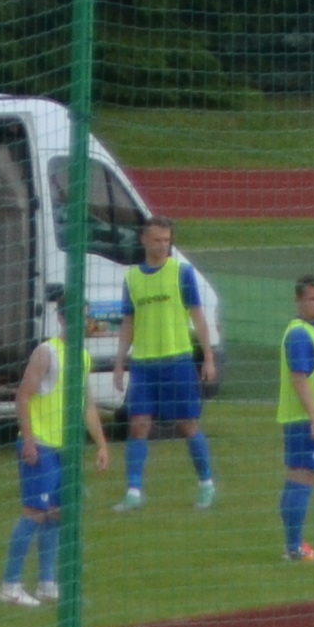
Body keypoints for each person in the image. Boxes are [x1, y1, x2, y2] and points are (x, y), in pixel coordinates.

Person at [114, 216, 218, 512]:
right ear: (143, 240)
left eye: (167, 240)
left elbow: (198, 316)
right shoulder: (132, 278)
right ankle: (133, 491)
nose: (163, 245)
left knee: (187, 425)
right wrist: (121, 362)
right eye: (157, 239)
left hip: (177, 360)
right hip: (145, 364)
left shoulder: (181, 272)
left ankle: (206, 484)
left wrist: (208, 357)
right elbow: (128, 322)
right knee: (138, 425)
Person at [1, 321, 94, 607]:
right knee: (34, 513)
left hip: (64, 448)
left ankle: (47, 583)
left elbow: (87, 404)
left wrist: (101, 444)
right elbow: (22, 396)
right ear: (66, 319)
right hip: (40, 446)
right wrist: (28, 440)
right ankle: (10, 584)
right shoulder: (46, 352)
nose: (87, 324)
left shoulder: (83, 356)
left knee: (57, 513)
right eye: (82, 316)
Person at [274, 277, 314, 567]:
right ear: (299, 301)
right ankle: (295, 549)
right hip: (305, 420)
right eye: (313, 299)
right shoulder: (301, 335)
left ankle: (293, 545)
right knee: (303, 478)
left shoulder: (309, 331)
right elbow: (299, 379)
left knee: (297, 478)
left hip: (302, 418)